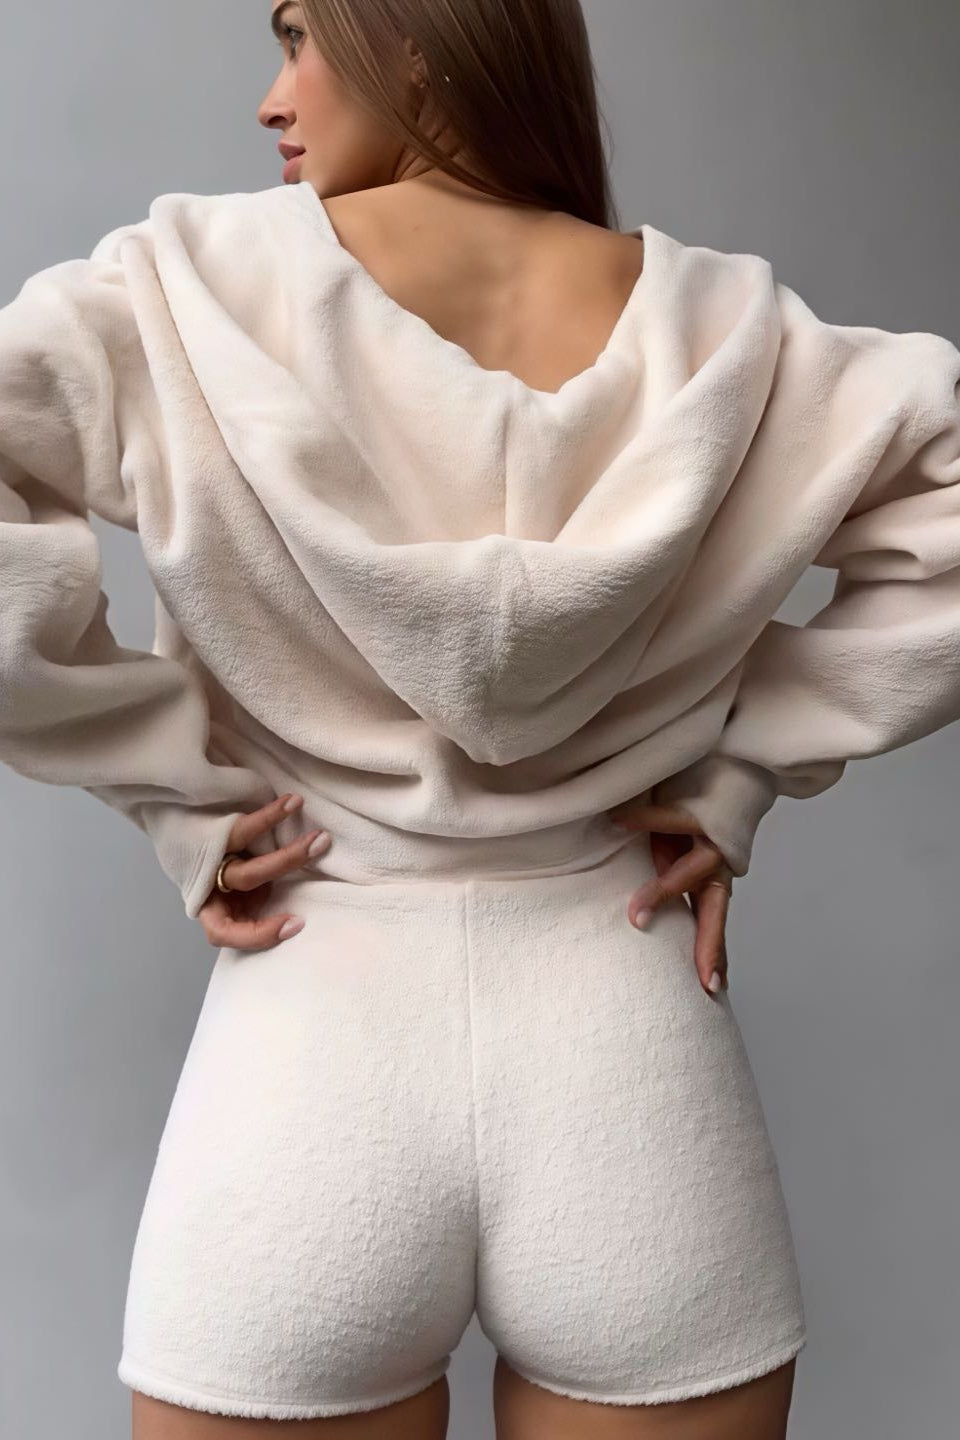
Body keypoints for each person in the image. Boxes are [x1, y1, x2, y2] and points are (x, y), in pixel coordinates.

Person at [2, 1, 959, 1437]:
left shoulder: (184, 293)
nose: (273, 98)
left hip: (306, 1061)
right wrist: (742, 767)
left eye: (301, 37)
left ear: (421, 39)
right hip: (630, 1059)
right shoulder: (729, 334)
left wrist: (172, 785)